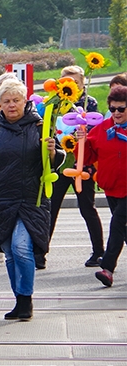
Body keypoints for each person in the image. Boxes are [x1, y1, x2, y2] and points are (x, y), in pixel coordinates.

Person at [0, 78, 62, 321]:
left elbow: (55, 160)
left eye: (16, 100)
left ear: (25, 101)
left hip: (29, 198)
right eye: (7, 101)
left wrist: (53, 152)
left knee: (21, 248)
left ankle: (26, 299)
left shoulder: (40, 126)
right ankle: (19, 300)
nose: (12, 105)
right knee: (10, 252)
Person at [44, 65, 103, 269]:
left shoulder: (89, 103)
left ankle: (98, 252)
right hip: (60, 161)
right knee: (51, 207)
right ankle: (40, 251)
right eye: (66, 82)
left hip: (82, 162)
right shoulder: (56, 102)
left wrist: (86, 134)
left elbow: (97, 129)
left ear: (82, 83)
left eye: (75, 82)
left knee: (87, 207)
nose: (70, 86)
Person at [77, 85, 127, 287]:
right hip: (111, 186)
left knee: (117, 224)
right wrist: (81, 141)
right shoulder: (102, 129)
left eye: (121, 109)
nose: (116, 113)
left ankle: (107, 268)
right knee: (123, 229)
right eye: (113, 108)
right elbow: (88, 156)